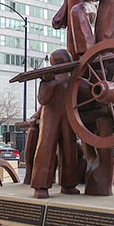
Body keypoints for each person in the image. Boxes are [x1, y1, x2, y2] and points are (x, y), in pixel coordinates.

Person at [31, 49, 81, 199]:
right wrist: (48, 81)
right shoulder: (51, 78)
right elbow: (43, 99)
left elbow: (84, 89)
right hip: (51, 117)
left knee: (69, 148)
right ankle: (41, 185)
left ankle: (68, 184)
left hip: (69, 115)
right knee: (46, 147)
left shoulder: (74, 76)